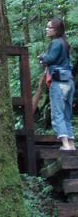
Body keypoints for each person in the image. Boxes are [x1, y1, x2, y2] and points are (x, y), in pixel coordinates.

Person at [38, 18, 75, 151]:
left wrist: (42, 57)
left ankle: (65, 144)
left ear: (56, 30)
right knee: (66, 113)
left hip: (58, 83)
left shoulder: (55, 42)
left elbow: (51, 58)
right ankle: (71, 145)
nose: (47, 29)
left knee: (58, 113)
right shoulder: (64, 43)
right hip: (69, 81)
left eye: (49, 27)